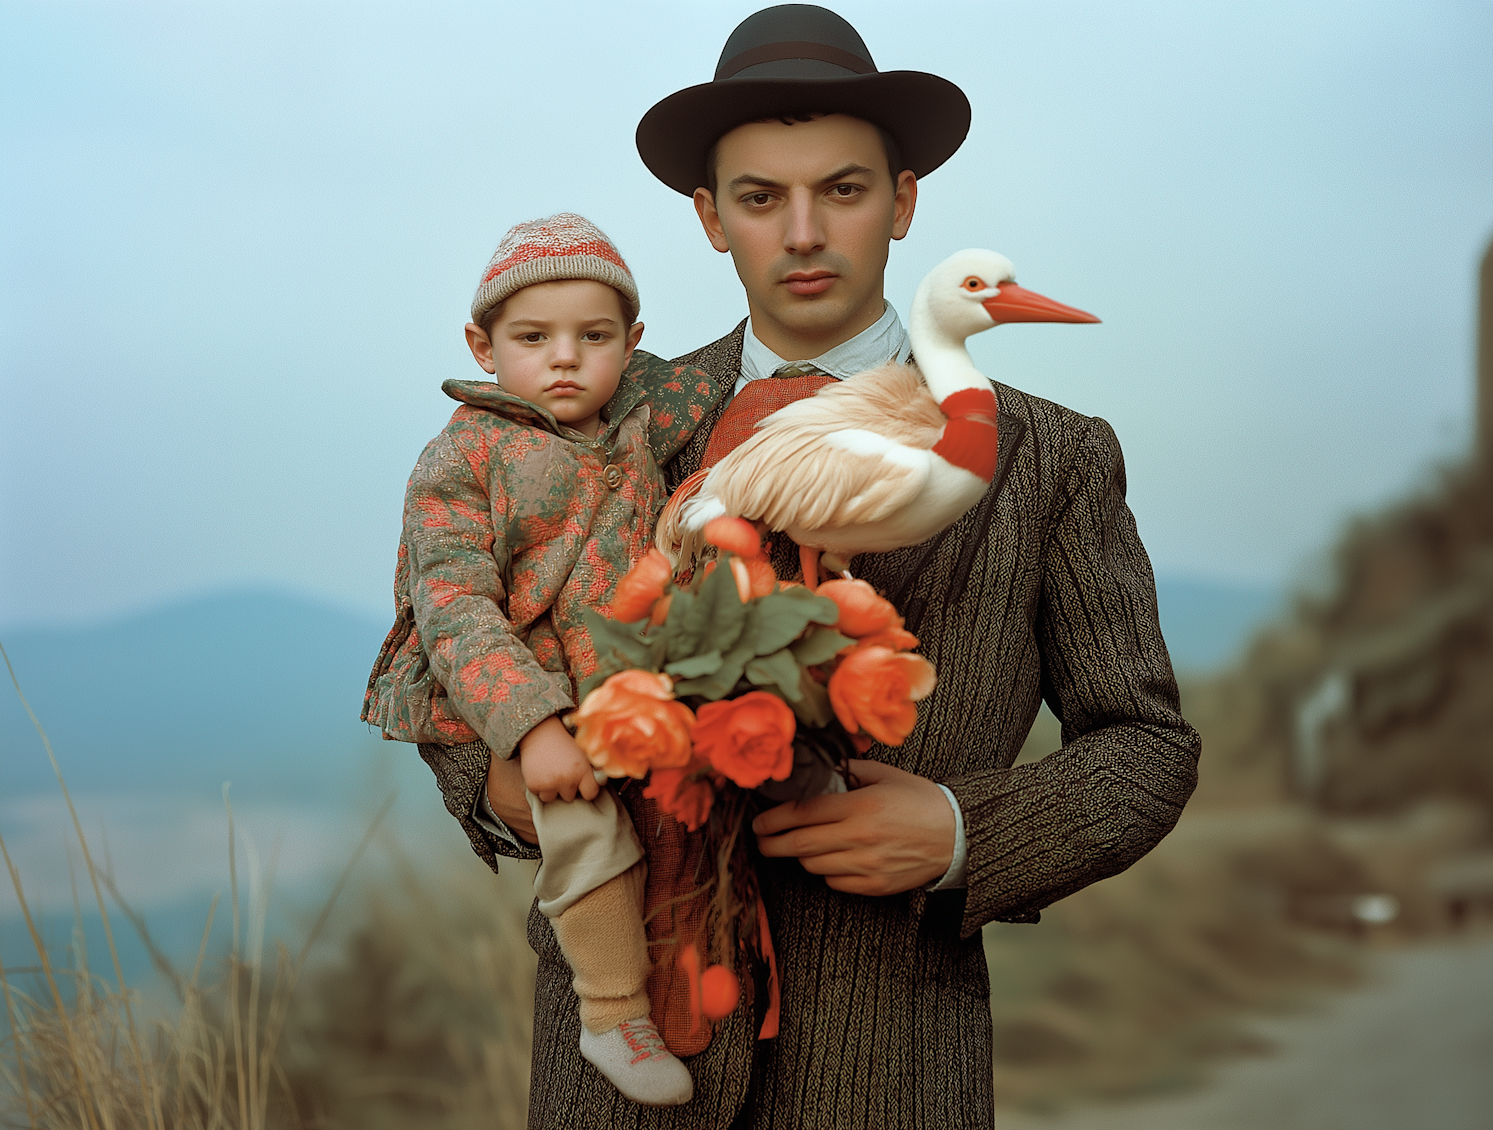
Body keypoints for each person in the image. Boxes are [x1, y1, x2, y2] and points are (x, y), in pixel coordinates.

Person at [432, 7, 1201, 1128]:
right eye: (759, 198)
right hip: (614, 1070)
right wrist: (501, 781)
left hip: (888, 1068)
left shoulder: (1055, 455)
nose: (802, 232)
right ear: (708, 219)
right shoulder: (594, 413)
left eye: (842, 190)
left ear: (904, 201)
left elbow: (1146, 746)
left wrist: (960, 831)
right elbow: (448, 642)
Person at [361, 213, 723, 1108]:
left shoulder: (634, 421)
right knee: (583, 821)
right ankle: (611, 1011)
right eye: (533, 338)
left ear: (630, 345)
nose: (565, 359)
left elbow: (702, 390)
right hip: (510, 686)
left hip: (618, 678)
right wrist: (531, 731)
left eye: (593, 338)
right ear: (483, 347)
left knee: (670, 817)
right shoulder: (462, 456)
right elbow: (454, 609)